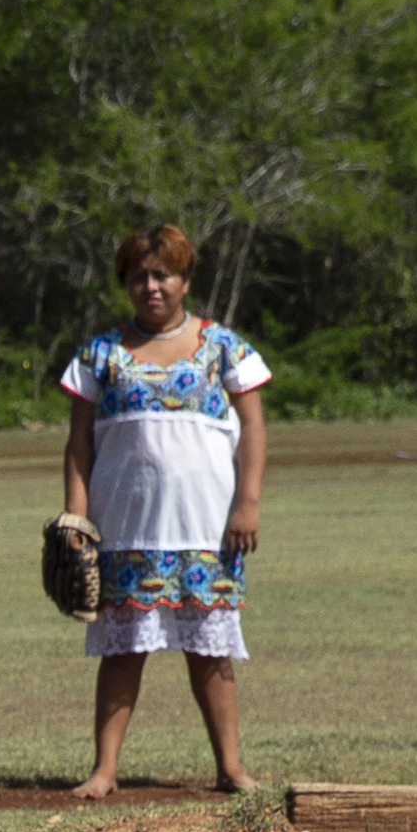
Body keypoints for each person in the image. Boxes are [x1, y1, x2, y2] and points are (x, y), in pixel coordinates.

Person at [55, 225, 270, 798]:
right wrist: (76, 520)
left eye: (163, 275)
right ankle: (104, 770)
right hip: (125, 528)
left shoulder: (224, 347)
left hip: (207, 527)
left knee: (211, 649)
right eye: (138, 277)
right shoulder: (100, 354)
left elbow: (252, 426)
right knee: (125, 648)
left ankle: (231, 768)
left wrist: (246, 502)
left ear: (185, 280)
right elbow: (78, 443)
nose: (151, 286)